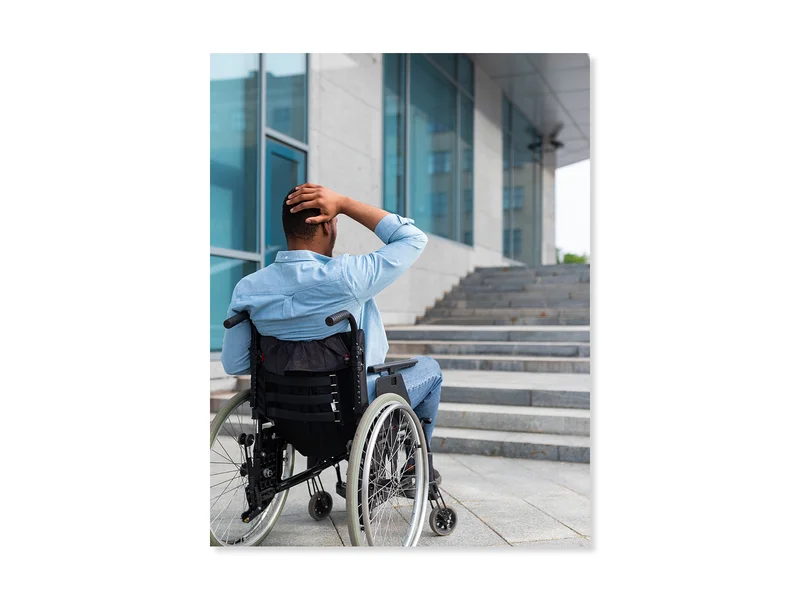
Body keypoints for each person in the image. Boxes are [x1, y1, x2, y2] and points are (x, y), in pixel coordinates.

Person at [221, 183, 442, 483]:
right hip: (352, 408)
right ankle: (415, 467)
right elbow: (412, 238)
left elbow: (234, 364)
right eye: (335, 218)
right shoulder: (348, 276)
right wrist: (346, 203)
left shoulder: (247, 289)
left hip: (285, 413)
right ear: (326, 225)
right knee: (431, 369)